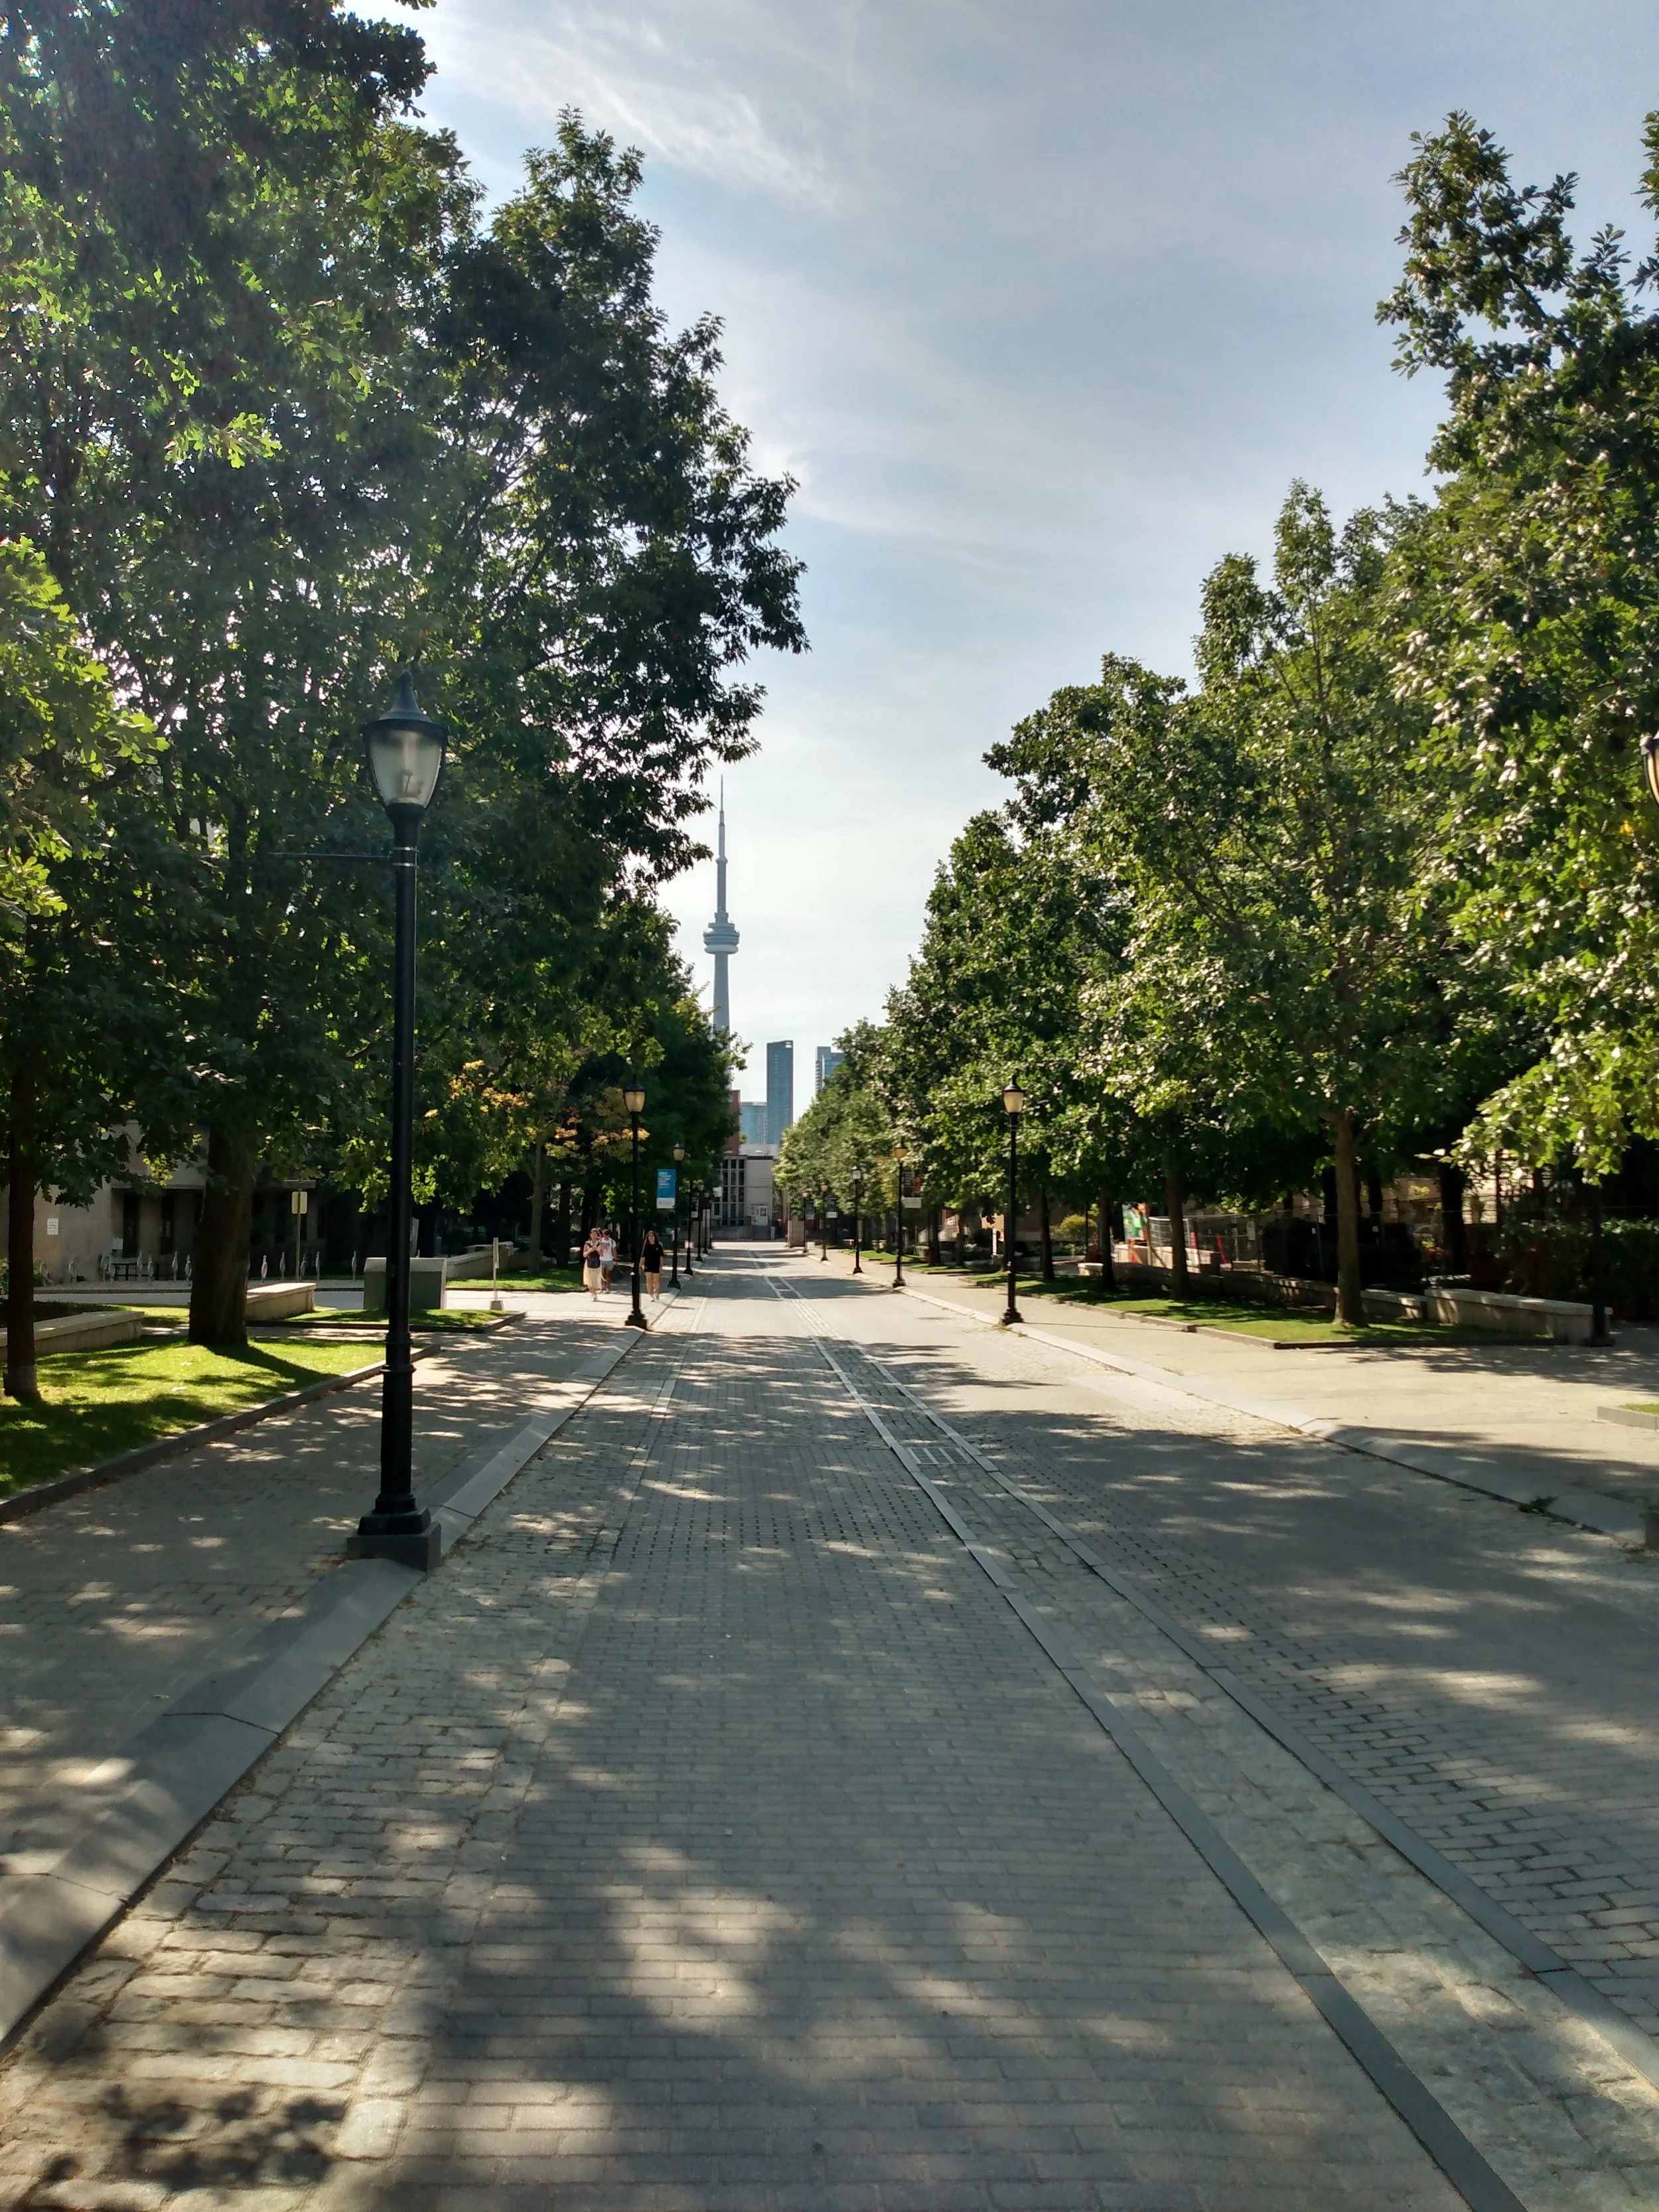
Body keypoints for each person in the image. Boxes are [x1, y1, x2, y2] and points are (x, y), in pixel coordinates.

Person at [581, 1227, 605, 1302]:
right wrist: (590, 1250)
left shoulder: (600, 1244)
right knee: (590, 1280)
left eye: (596, 1234)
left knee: (596, 1279)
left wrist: (597, 1250)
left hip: (597, 1264)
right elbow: (584, 1255)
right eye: (593, 1234)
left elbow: (602, 1255)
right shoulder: (587, 1244)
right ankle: (592, 1294)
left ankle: (596, 1294)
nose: (594, 1236)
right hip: (589, 1263)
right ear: (590, 1235)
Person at [641, 1226, 664, 1299]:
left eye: (652, 1236)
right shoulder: (646, 1246)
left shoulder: (658, 1246)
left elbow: (661, 1256)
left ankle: (656, 1291)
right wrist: (640, 1265)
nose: (651, 1238)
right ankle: (651, 1295)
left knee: (656, 1281)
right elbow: (643, 1256)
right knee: (649, 1281)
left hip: (656, 1265)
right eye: (649, 1236)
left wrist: (661, 1265)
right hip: (648, 1265)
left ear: (655, 1237)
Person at [597, 1226, 616, 1294]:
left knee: (608, 1275)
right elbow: (597, 1250)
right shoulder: (600, 1241)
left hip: (610, 1259)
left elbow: (614, 1251)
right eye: (605, 1235)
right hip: (602, 1259)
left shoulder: (612, 1242)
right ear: (603, 1235)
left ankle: (608, 1287)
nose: (606, 1237)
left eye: (607, 1235)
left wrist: (616, 1260)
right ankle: (603, 1286)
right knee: (602, 1274)